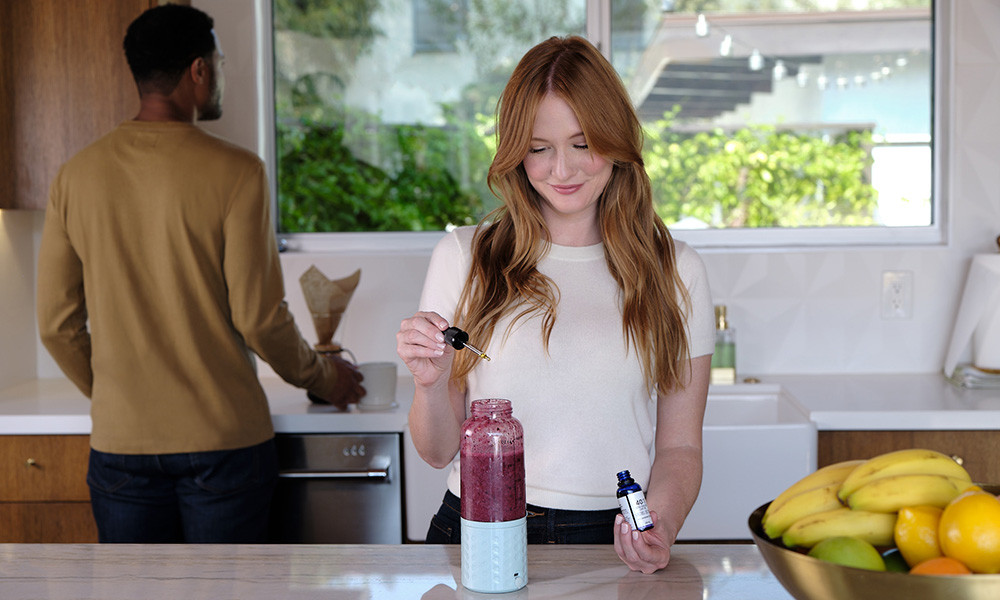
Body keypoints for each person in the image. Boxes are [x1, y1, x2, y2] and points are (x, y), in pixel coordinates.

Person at [36, 4, 364, 544]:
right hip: (224, 444)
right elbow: (260, 320)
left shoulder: (75, 177)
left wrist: (121, 398)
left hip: (121, 447)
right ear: (199, 70)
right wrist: (326, 378)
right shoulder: (238, 173)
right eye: (220, 62)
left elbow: (56, 325)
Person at [396, 36, 714, 573]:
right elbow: (436, 452)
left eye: (583, 142)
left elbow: (680, 448)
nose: (561, 170)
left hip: (610, 538)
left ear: (616, 140)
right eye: (539, 148)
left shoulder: (676, 269)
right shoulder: (464, 256)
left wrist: (659, 520)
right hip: (478, 525)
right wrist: (431, 383)